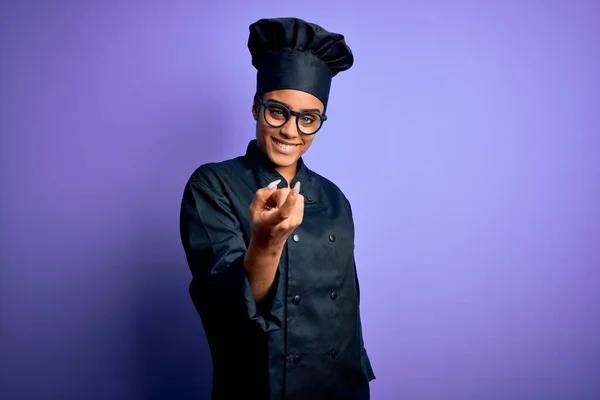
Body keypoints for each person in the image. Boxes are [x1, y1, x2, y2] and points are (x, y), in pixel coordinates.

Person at [179, 17, 375, 400]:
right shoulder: (212, 185)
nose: (290, 131)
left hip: (339, 385)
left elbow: (348, 312)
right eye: (277, 111)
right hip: (261, 385)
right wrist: (266, 242)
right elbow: (224, 310)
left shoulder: (335, 198)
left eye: (308, 119)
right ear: (256, 108)